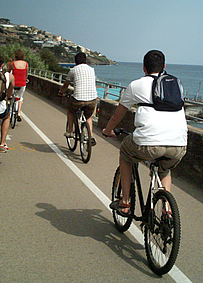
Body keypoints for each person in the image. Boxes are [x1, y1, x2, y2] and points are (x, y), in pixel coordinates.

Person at [102, 50, 188, 216]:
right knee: (164, 170)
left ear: (144, 68)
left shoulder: (136, 85)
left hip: (148, 143)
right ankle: (167, 212)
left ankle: (125, 202)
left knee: (125, 153)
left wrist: (107, 130)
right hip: (179, 144)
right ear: (163, 67)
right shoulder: (176, 85)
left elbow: (116, 116)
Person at [58, 52, 98, 146]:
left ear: (75, 62)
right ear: (86, 61)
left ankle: (70, 132)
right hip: (92, 98)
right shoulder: (91, 69)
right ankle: (91, 136)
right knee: (88, 117)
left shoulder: (73, 70)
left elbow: (66, 85)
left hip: (79, 99)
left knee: (71, 111)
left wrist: (61, 92)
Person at [7, 50, 28, 122]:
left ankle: (9, 112)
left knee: (9, 96)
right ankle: (18, 113)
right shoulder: (26, 64)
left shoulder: (13, 63)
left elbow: (8, 72)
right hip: (22, 83)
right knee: (20, 97)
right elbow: (26, 74)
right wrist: (26, 79)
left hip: (14, 83)